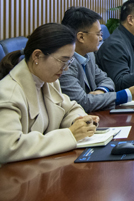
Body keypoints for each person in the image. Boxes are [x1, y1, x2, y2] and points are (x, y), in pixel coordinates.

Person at [0, 23, 99, 164]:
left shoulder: (48, 80)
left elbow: (70, 108)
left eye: (69, 61)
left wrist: (79, 122)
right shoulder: (8, 94)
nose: (65, 69)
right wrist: (70, 134)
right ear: (37, 56)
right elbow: (9, 147)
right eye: (63, 61)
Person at [59, 6, 134, 112]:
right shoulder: (64, 64)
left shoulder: (89, 55)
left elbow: (107, 80)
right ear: (81, 37)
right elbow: (82, 102)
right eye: (98, 34)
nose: (101, 38)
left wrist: (101, 90)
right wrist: (126, 94)